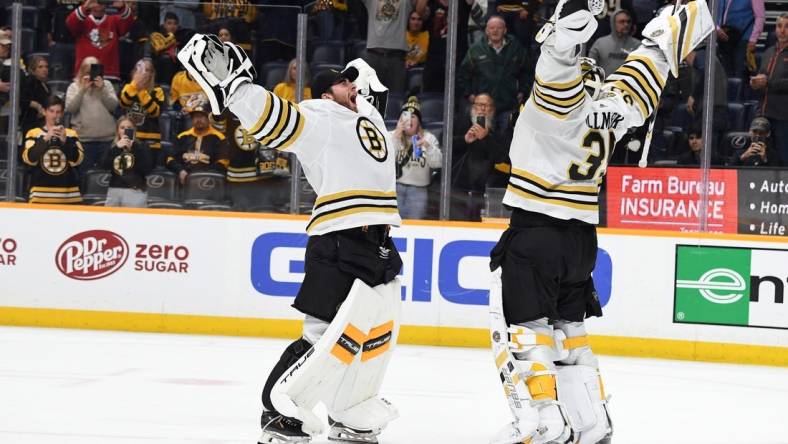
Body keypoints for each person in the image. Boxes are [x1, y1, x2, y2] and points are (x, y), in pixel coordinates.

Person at [487, 0, 712, 443]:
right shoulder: (615, 108)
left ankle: (543, 421)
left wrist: (570, 15)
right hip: (581, 241)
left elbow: (557, 51)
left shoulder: (556, 103)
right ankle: (592, 421)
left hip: (537, 231)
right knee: (569, 334)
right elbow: (648, 66)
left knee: (522, 331)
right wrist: (672, 28)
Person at [179, 34, 403, 443]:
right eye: (341, 82)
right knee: (323, 337)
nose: (350, 86)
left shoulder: (363, 117)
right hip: (339, 238)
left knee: (371, 337)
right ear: (324, 93)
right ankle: (278, 413)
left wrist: (366, 82)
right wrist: (236, 86)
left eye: (350, 82)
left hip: (379, 239)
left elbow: (375, 97)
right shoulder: (319, 118)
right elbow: (274, 119)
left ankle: (351, 413)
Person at [458, 15, 532, 127]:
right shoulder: (475, 50)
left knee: (507, 139)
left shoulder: (516, 48)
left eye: (499, 28)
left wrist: (523, 90)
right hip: (483, 109)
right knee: (483, 140)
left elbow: (528, 71)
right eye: (492, 28)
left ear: (505, 30)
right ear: (487, 31)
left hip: (508, 105)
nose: (495, 31)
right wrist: (469, 94)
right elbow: (463, 75)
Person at [451, 93, 511, 221]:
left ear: (493, 110)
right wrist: (465, 140)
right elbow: (445, 146)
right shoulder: (460, 124)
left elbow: (504, 159)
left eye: (487, 106)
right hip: (460, 191)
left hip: (487, 193)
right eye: (479, 105)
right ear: (472, 108)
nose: (482, 109)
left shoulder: (499, 131)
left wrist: (486, 138)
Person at [21, 95, 84, 204]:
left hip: (69, 195)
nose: (55, 115)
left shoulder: (71, 134)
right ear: (44, 112)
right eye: (51, 111)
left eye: (58, 112)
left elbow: (78, 160)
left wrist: (65, 141)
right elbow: (29, 159)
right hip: (40, 195)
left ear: (62, 113)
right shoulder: (34, 133)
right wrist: (46, 138)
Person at [391, 96, 442, 219]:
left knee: (415, 226)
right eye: (405, 115)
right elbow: (384, 160)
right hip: (394, 189)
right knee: (393, 228)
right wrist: (396, 137)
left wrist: (428, 147)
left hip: (419, 191)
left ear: (419, 121)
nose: (409, 119)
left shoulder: (429, 138)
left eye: (413, 116)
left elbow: (438, 163)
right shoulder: (392, 135)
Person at [363, 0, 428, 95]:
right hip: (374, 55)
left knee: (395, 99)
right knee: (370, 100)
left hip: (397, 58)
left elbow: (420, 11)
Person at [66, 56, 119, 171]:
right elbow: (70, 109)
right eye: (87, 71)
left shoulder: (107, 85)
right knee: (85, 177)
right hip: (84, 141)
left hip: (107, 140)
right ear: (81, 71)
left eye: (94, 70)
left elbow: (113, 106)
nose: (91, 74)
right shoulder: (74, 87)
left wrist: (102, 89)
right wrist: (82, 90)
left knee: (104, 177)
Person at [750, 13, 788, 164]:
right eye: (779, 26)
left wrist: (768, 82)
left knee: (784, 156)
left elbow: (770, 82)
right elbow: (763, 80)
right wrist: (756, 83)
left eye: (787, 27)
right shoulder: (768, 52)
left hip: (784, 116)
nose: (782, 30)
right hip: (764, 114)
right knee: (761, 155)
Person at [66, 0, 135, 82]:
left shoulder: (114, 20)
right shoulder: (82, 21)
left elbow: (128, 21)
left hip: (109, 74)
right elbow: (70, 23)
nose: (98, 2)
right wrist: (84, 7)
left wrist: (122, 7)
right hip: (85, 74)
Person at [166, 102, 228, 185]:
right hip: (184, 179)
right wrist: (180, 170)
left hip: (209, 181)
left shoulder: (219, 137)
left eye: (202, 116)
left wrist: (204, 175)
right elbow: (170, 159)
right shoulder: (182, 136)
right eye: (195, 116)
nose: (198, 119)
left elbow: (223, 162)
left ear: (209, 118)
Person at [119, 58, 165, 165]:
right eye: (139, 69)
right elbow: (123, 103)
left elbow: (155, 112)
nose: (143, 72)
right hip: (130, 137)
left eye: (147, 70)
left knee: (148, 172)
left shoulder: (158, 90)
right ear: (134, 72)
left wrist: (141, 92)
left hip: (151, 139)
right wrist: (134, 86)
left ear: (152, 73)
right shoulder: (128, 88)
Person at [100, 116, 153, 207]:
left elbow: (146, 169)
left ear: (134, 130)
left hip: (135, 191)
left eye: (129, 128)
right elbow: (104, 165)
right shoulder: (112, 146)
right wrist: (116, 148)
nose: (125, 130)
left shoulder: (142, 147)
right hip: (114, 190)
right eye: (122, 128)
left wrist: (133, 149)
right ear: (117, 131)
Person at [715, 0, 765, 77]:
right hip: (723, 37)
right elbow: (713, 13)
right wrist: (717, 28)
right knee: (723, 72)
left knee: (739, 71)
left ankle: (738, 87)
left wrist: (753, 39)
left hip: (744, 39)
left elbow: (760, 16)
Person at [587, 9, 640, 78]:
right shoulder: (600, 43)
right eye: (622, 21)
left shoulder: (638, 45)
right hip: (604, 86)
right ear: (613, 23)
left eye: (628, 21)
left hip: (628, 86)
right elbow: (590, 68)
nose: (626, 24)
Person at [20, 56, 52, 137]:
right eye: (40, 67)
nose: (44, 69)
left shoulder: (45, 84)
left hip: (42, 123)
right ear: (33, 70)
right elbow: (21, 100)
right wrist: (37, 106)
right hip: (31, 124)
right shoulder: (30, 81)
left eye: (46, 67)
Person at [149, 12, 182, 85]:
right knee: (166, 59)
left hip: (177, 67)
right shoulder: (158, 36)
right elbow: (156, 51)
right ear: (164, 25)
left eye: (175, 23)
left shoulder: (182, 38)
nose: (172, 26)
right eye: (169, 23)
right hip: (161, 66)